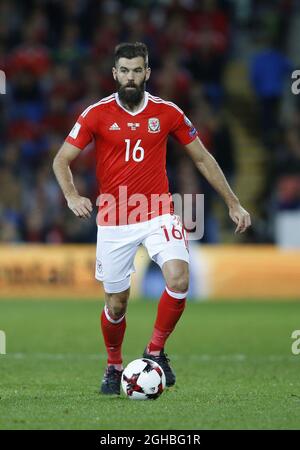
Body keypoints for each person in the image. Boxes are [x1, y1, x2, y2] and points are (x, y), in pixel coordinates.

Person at [53, 42, 251, 395]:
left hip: (158, 211)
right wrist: (72, 195)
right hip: (114, 217)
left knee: (178, 277)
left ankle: (155, 351)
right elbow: (61, 160)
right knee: (116, 304)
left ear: (147, 73)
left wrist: (233, 202)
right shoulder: (96, 114)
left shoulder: (168, 113)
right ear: (115, 74)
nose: (131, 77)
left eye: (137, 70)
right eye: (124, 71)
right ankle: (114, 365)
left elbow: (203, 158)